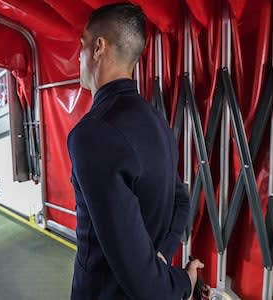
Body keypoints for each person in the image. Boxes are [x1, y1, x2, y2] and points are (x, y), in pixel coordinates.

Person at [68, 4, 206, 299]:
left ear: (98, 48)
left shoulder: (92, 135)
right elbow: (180, 201)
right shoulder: (156, 120)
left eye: (81, 46)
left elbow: (146, 285)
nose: (77, 57)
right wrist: (162, 254)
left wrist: (184, 283)